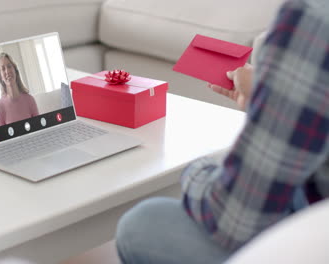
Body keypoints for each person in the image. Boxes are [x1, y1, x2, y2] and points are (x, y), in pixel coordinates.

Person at [116, 0, 329, 263]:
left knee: (142, 224)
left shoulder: (312, 19)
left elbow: (235, 221)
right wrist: (276, 99)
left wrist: (196, 169)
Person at [0, 52, 39, 126]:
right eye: (3, 69)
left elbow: (39, 128)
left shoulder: (30, 100)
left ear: (15, 70)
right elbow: (2, 137)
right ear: (1, 77)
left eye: (9, 66)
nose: (7, 71)